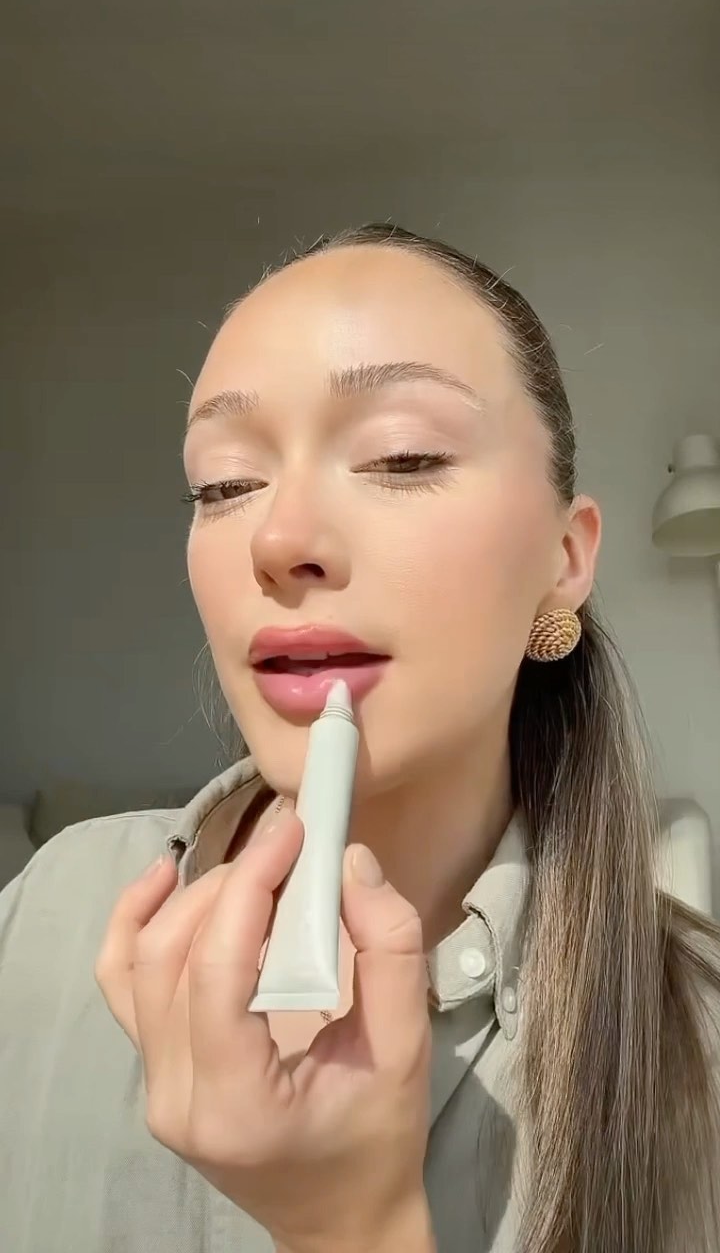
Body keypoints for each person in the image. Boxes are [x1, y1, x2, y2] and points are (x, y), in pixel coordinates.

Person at [1, 223, 719, 1253]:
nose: (279, 539)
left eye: (401, 457)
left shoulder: (696, 1044)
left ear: (564, 560)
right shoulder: (52, 908)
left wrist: (353, 1227)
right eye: (224, 484)